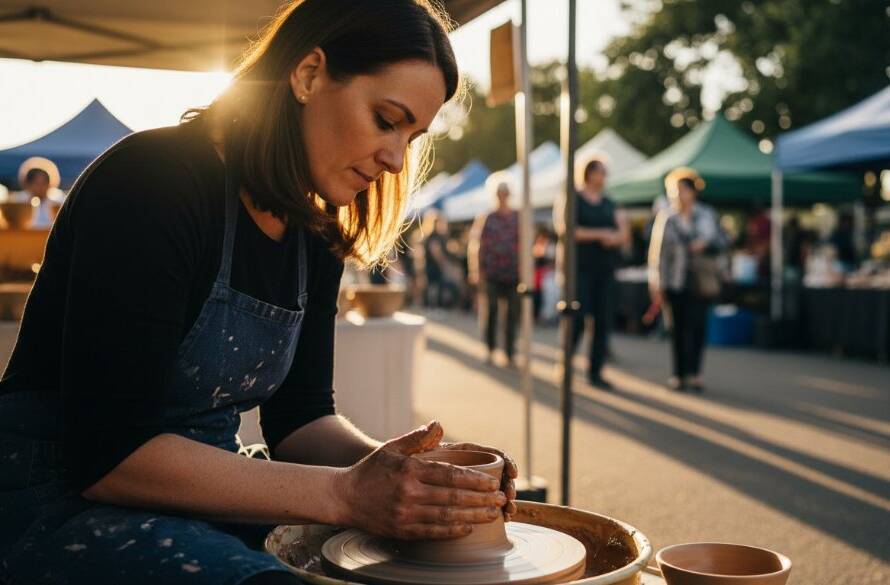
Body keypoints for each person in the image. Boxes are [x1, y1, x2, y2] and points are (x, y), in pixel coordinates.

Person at [0, 2, 517, 584]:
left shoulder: (315, 231)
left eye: (413, 136)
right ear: (308, 75)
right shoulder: (154, 181)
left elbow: (301, 421)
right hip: (55, 498)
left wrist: (414, 476)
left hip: (199, 491)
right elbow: (110, 455)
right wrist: (349, 494)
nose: (397, 160)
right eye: (385, 119)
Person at [555, 156, 630, 390]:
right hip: (580, 269)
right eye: (600, 172)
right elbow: (567, 230)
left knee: (602, 321)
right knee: (576, 320)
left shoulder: (610, 203)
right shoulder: (574, 198)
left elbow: (623, 233)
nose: (603, 177)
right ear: (589, 174)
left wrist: (614, 237)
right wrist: (600, 234)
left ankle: (595, 372)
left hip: (604, 269)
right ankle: (565, 366)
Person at [648, 168, 723, 393]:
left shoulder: (706, 215)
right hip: (676, 281)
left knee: (698, 327)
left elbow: (721, 241)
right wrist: (657, 283)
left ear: (692, 192)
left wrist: (705, 245)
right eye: (674, 190)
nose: (678, 195)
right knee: (678, 329)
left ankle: (696, 373)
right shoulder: (667, 218)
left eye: (682, 190)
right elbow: (658, 254)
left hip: (701, 280)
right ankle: (679, 373)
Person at [468, 175, 520, 366]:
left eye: (505, 193)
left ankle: (510, 352)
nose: (503, 196)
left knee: (512, 315)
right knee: (491, 312)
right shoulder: (487, 217)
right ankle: (490, 349)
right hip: (492, 273)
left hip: (514, 273)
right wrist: (476, 271)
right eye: (500, 193)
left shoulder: (517, 217)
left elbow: (525, 244)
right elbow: (477, 246)